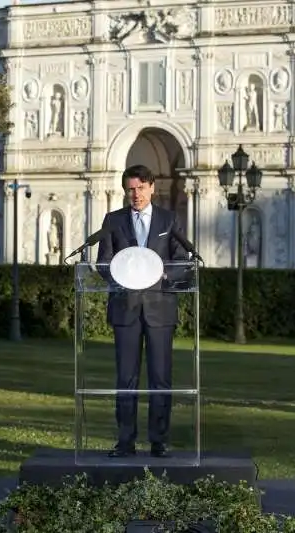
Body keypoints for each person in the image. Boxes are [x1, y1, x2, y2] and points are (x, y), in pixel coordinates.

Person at [96, 164, 188, 458]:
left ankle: (159, 441)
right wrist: (120, 278)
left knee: (160, 378)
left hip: (160, 309)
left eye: (139, 188)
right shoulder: (113, 220)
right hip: (126, 309)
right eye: (129, 190)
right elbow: (102, 263)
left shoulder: (169, 219)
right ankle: (125, 441)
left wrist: (165, 276)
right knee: (126, 378)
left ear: (152, 187)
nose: (134, 195)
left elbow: (182, 261)